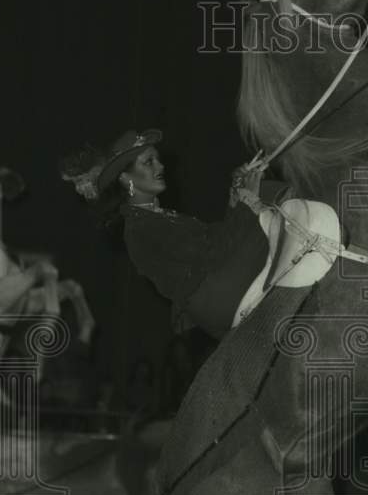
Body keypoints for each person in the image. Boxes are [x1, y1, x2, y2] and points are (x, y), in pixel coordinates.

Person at [61, 129, 288, 339]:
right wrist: (247, 198)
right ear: (125, 178)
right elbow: (216, 251)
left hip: (221, 288)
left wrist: (239, 192)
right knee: (277, 199)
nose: (160, 167)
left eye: (157, 160)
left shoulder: (154, 217)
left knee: (270, 197)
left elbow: (218, 237)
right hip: (221, 298)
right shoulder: (141, 228)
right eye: (148, 162)